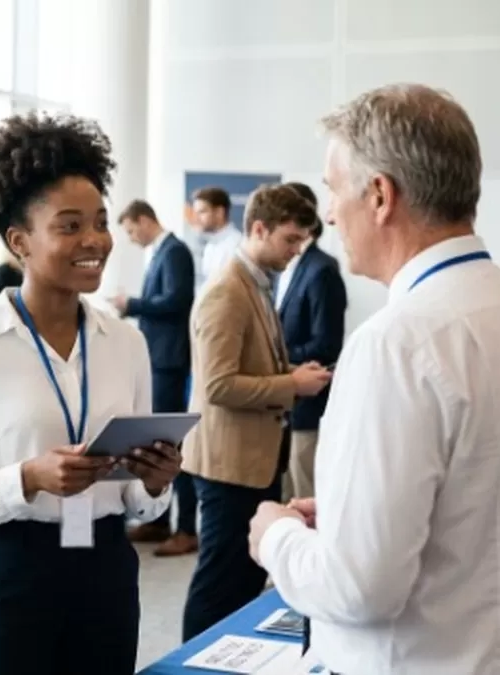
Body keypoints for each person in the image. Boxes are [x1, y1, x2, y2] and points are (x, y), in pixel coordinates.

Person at [249, 84, 500, 675]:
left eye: (333, 190)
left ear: (380, 194)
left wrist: (277, 537)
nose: (329, 214)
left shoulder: (396, 345)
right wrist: (358, 517)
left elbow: (359, 589)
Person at [0, 112, 181, 675]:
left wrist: (155, 482)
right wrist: (28, 478)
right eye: (69, 226)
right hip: (11, 569)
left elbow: (138, 498)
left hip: (106, 567)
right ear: (20, 242)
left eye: (101, 222)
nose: (95, 241)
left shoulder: (126, 342)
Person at [180, 183, 330, 640]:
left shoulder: (257, 284)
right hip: (228, 465)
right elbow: (217, 385)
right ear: (259, 229)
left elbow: (248, 366)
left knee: (244, 581)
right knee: (219, 583)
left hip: (254, 459)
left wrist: (289, 372)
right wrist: (292, 384)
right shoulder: (227, 291)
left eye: (302, 241)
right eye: (289, 239)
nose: (296, 250)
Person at [112, 199, 199, 556]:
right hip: (158, 358)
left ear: (145, 220)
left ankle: (186, 528)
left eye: (132, 230)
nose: (132, 239)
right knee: (156, 442)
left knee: (170, 444)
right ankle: (159, 520)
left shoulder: (175, 252)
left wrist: (131, 305)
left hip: (169, 360)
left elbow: (176, 301)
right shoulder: (162, 252)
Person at [275, 182, 348, 501]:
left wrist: (273, 359)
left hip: (309, 407)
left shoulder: (322, 269)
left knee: (304, 495)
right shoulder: (286, 267)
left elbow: (327, 344)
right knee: (286, 494)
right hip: (287, 403)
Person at [188, 186, 242, 297]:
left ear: (219, 212)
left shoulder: (237, 245)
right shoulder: (210, 246)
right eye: (196, 213)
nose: (196, 218)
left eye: (202, 212)